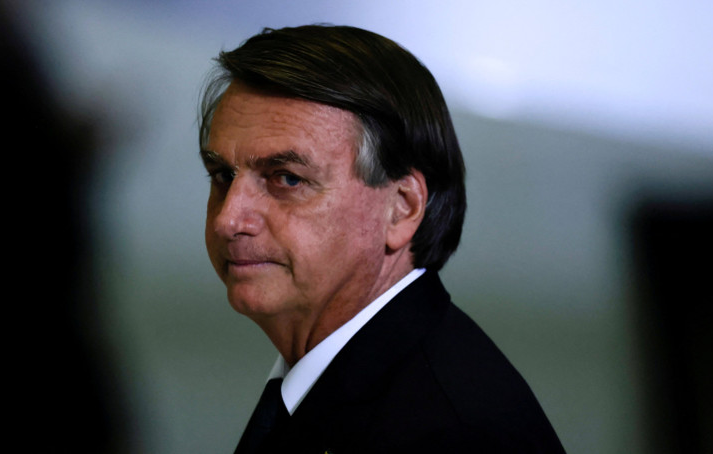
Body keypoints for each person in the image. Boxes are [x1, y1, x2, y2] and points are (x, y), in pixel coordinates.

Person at [198, 24, 565, 453]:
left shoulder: (452, 435)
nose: (228, 219)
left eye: (287, 179)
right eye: (222, 176)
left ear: (402, 208)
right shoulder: (359, 386)